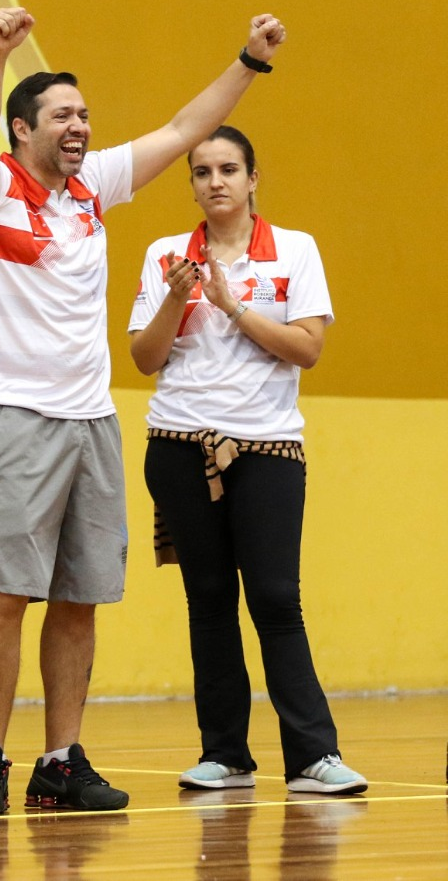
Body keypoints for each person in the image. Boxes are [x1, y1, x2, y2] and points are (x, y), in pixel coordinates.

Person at [0, 7, 287, 816]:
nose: (80, 126)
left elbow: (184, 127)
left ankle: (61, 760)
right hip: (12, 413)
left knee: (80, 596)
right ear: (25, 128)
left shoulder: (93, 187)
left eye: (85, 114)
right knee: (6, 594)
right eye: (63, 115)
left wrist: (249, 60)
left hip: (91, 420)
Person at [127, 126, 366, 795]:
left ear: (253, 177)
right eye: (202, 172)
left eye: (229, 168)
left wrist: (231, 306)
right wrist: (179, 296)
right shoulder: (166, 254)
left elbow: (307, 348)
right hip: (178, 446)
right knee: (208, 598)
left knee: (274, 597)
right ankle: (225, 754)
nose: (216, 181)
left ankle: (314, 756)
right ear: (193, 185)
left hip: (267, 449)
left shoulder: (294, 251)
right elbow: (145, 360)